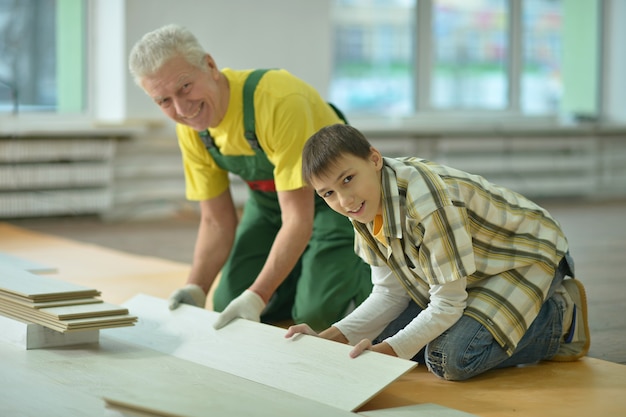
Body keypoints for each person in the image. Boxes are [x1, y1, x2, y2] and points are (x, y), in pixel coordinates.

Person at [285, 123, 590, 381]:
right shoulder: (362, 206)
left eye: (347, 179)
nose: (344, 200)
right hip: (471, 272)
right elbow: (389, 293)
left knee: (449, 358)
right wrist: (328, 341)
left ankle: (558, 317)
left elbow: (447, 303)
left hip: (523, 257)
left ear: (374, 159)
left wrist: (390, 353)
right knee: (377, 342)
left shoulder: (427, 203)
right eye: (329, 194)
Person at [128, 24, 371, 331]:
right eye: (163, 101)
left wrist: (258, 295)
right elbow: (216, 221)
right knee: (224, 303)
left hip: (333, 202)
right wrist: (196, 288)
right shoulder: (193, 130)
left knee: (316, 315)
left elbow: (297, 219)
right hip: (270, 203)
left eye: (185, 87)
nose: (181, 108)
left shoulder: (278, 101)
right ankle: (300, 274)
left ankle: (363, 273)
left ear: (210, 66)